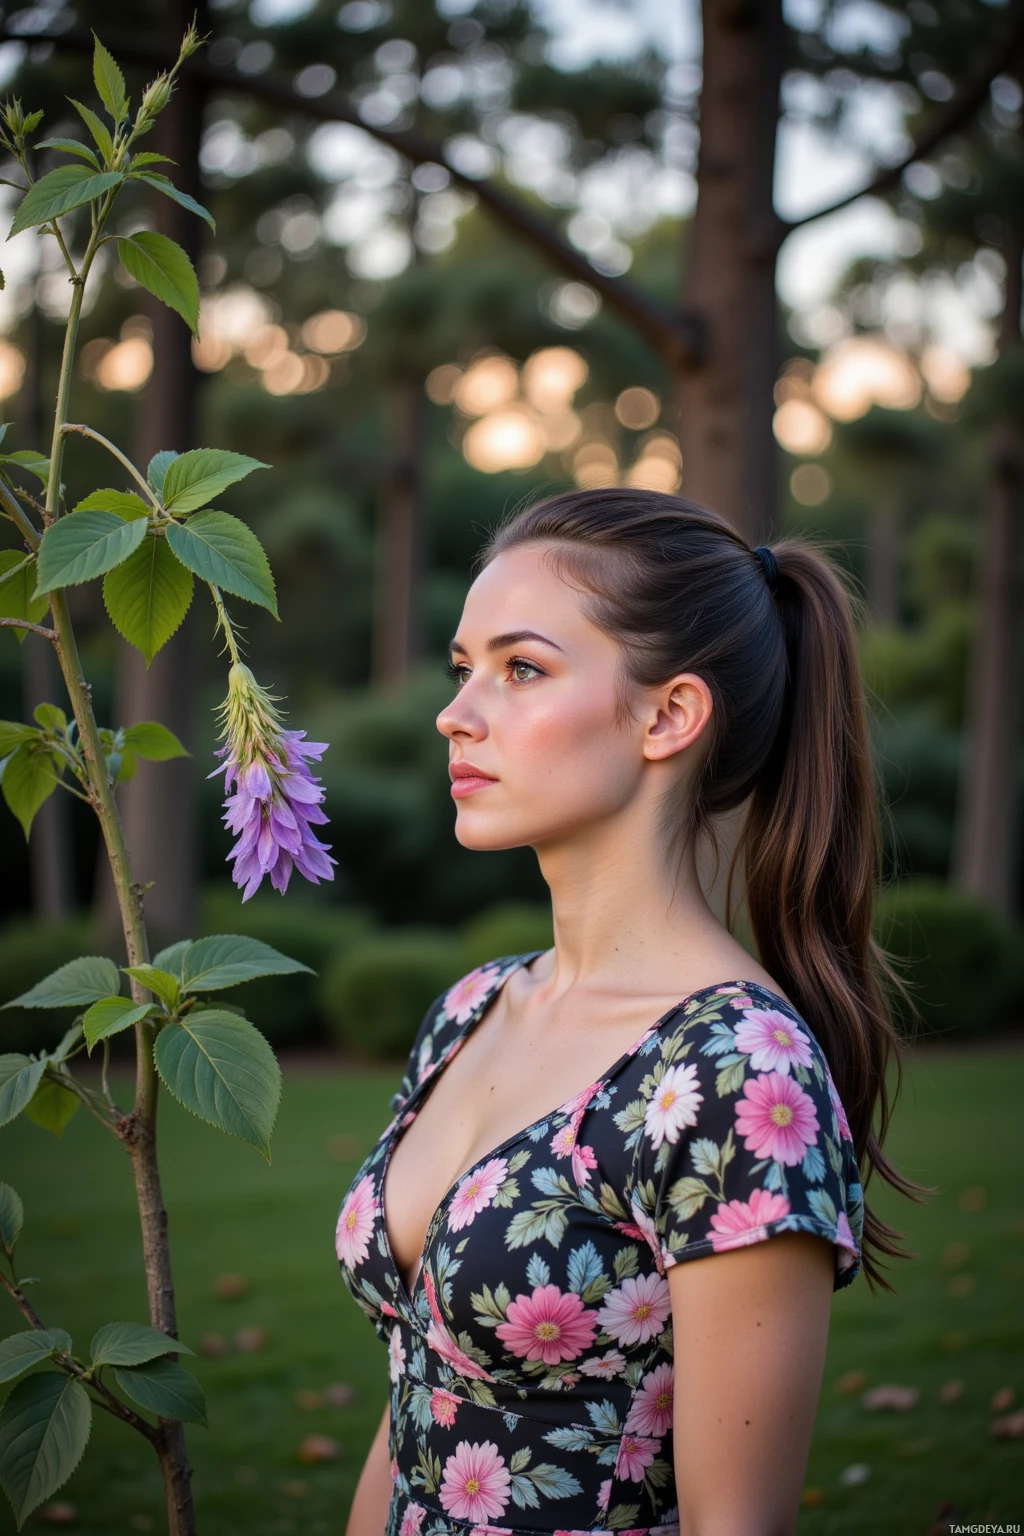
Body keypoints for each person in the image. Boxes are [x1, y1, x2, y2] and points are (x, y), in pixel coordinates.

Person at [337, 489, 928, 1536]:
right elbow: (408, 1407)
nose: (455, 712)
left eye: (520, 669)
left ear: (669, 716)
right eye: (461, 668)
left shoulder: (738, 1074)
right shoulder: (472, 1009)